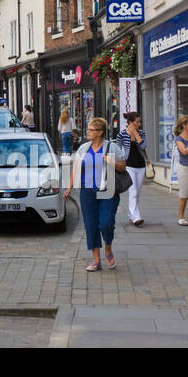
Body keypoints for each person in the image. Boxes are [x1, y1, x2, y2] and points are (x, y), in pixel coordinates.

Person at [62, 117, 126, 272]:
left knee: (106, 223)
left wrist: (110, 161)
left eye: (91, 130)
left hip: (107, 191)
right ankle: (96, 260)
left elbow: (123, 167)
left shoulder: (112, 147)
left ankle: (108, 249)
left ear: (100, 132)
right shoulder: (84, 148)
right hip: (87, 192)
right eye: (88, 129)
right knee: (91, 225)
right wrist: (69, 187)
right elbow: (76, 169)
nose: (88, 132)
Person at [115, 111, 148, 226]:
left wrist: (136, 133)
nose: (139, 124)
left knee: (137, 193)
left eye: (139, 122)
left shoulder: (141, 133)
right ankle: (136, 217)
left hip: (141, 165)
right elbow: (118, 151)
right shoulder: (122, 134)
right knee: (133, 192)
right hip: (129, 166)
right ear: (130, 122)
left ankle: (131, 214)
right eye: (137, 122)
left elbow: (143, 146)